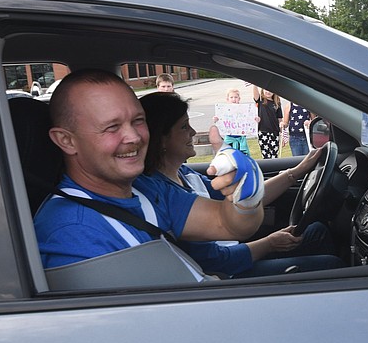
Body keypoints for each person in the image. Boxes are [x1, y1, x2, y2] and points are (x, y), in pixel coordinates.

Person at [35, 69, 265, 272]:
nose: (134, 137)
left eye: (138, 120)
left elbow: (228, 224)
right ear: (66, 140)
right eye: (112, 127)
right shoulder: (72, 232)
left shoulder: (146, 187)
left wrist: (246, 198)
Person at [139, 92, 343, 277]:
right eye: (184, 127)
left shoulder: (185, 174)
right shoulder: (161, 192)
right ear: (161, 138)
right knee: (330, 265)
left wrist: (296, 171)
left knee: (316, 230)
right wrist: (270, 243)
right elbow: (218, 260)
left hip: (233, 254)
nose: (193, 132)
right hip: (226, 274)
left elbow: (242, 198)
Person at [212, 87, 252, 156]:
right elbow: (220, 122)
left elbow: (250, 121)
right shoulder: (224, 111)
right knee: (229, 157)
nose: (234, 99)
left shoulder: (243, 110)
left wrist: (255, 120)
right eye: (231, 97)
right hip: (229, 139)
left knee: (242, 158)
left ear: (239, 99)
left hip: (240, 139)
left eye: (236, 97)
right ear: (227, 99)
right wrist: (216, 119)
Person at [252, 86, 282, 158]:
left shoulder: (277, 103)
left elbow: (279, 118)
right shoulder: (260, 100)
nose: (268, 92)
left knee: (274, 154)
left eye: (270, 91)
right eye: (266, 90)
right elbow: (255, 93)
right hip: (263, 131)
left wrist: (281, 129)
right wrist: (254, 84)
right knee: (265, 153)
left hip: (274, 132)